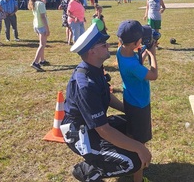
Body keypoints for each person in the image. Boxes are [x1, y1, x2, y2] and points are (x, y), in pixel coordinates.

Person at [62, 23, 152, 182]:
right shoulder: (85, 85)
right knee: (134, 162)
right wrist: (139, 148)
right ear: (92, 51)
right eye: (104, 45)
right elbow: (103, 130)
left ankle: (112, 159)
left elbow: (107, 96)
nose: (108, 46)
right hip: (81, 134)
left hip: (94, 126)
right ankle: (87, 171)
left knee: (135, 125)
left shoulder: (95, 68)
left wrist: (130, 111)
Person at [116, 20, 158, 182]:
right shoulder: (132, 66)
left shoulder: (121, 51)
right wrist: (153, 55)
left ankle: (129, 164)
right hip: (140, 105)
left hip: (130, 100)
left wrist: (144, 51)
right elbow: (153, 75)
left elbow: (135, 58)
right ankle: (138, 176)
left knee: (131, 135)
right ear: (135, 42)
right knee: (139, 144)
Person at [28, 0, 50, 72]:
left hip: (36, 25)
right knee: (42, 45)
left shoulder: (34, 3)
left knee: (41, 44)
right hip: (42, 26)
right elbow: (43, 17)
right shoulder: (40, 4)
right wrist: (47, 29)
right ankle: (35, 62)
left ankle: (42, 60)